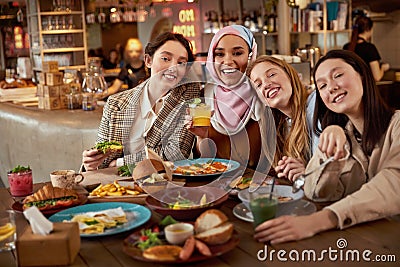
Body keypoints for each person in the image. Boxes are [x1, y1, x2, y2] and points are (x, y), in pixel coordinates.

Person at [253, 50, 400, 244]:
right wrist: (328, 151)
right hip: (365, 237)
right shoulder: (346, 136)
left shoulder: (396, 123)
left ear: (363, 75)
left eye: (338, 75)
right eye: (322, 85)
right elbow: (319, 192)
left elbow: (393, 183)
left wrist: (318, 221)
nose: (331, 87)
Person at [82, 32, 200, 171]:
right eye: (165, 58)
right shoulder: (115, 103)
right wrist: (92, 161)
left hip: (164, 186)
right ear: (148, 60)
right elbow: (103, 159)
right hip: (116, 188)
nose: (173, 67)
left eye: (181, 63)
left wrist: (120, 163)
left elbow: (175, 155)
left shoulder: (188, 94)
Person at [187, 25, 269, 171]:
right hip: (216, 186)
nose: (228, 61)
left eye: (237, 53)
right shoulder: (204, 96)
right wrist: (202, 137)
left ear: (251, 56)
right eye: (219, 54)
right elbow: (205, 160)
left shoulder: (264, 94)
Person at [246, 55, 318, 182]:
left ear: (290, 74)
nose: (266, 84)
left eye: (272, 75)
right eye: (258, 85)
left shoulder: (316, 105)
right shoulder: (281, 126)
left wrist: (309, 172)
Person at [343, 15, 390, 81]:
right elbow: (377, 77)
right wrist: (383, 68)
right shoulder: (369, 48)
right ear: (368, 30)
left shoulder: (346, 47)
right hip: (365, 88)